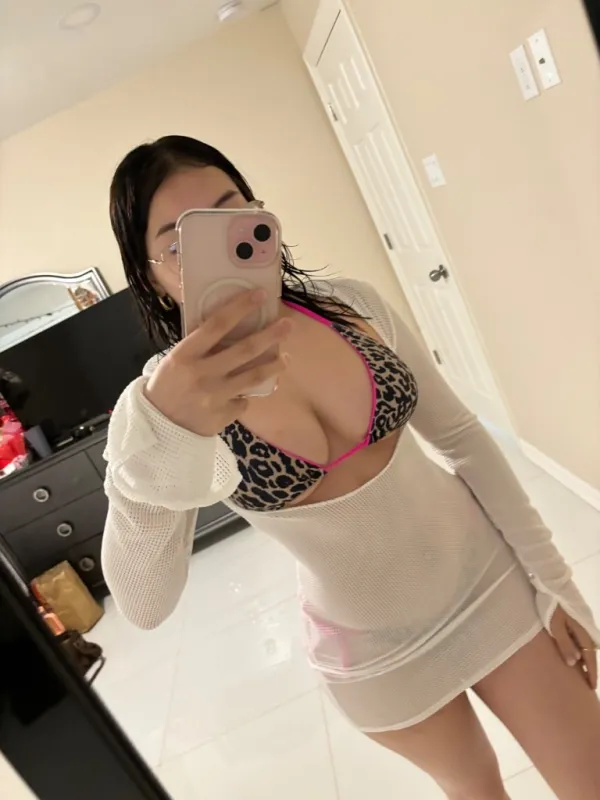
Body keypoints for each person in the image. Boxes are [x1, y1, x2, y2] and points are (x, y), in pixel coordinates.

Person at [102, 135, 600, 800]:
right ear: (151, 278)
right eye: (182, 244)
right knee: (477, 791)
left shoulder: (350, 305)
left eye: (234, 214)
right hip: (376, 656)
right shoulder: (161, 408)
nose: (224, 246)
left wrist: (555, 579)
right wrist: (167, 432)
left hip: (492, 583)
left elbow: (461, 439)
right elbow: (144, 604)